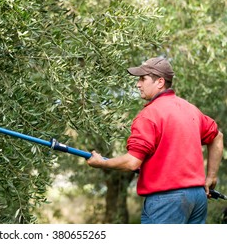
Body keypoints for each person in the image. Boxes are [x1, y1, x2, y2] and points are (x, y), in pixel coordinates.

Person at [86, 57, 224, 224]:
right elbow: (217, 137)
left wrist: (102, 163)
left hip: (166, 201)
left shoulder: (149, 115)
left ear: (160, 82)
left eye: (143, 79)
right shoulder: (190, 109)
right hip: (197, 198)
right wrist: (212, 177)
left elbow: (132, 162)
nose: (138, 84)